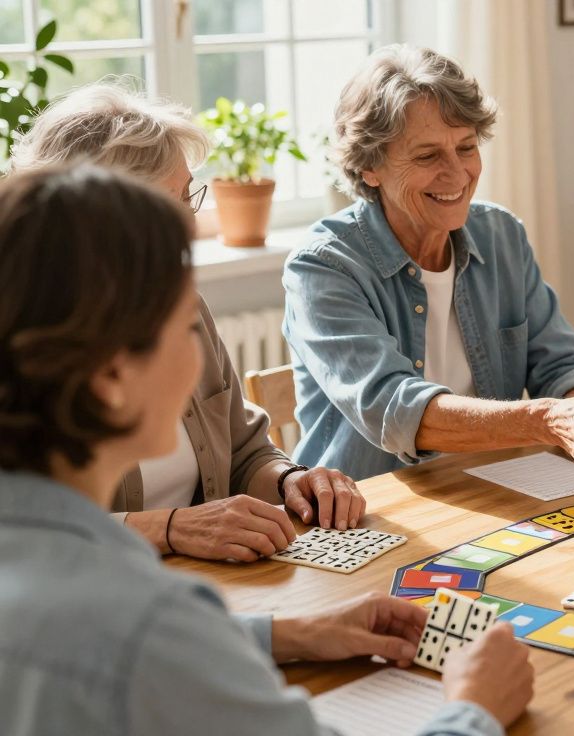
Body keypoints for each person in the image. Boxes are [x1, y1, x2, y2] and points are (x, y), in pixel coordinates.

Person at [0, 163, 534, 736]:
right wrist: (476, 708)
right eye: (182, 326)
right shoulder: (150, 625)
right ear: (111, 377)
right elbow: (148, 650)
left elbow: (123, 648)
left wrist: (294, 634)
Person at [10, 83, 365, 562]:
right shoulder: (24, 336)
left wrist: (290, 480)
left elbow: (244, 451)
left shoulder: (183, 308)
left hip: (204, 588)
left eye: (186, 196)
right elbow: (23, 525)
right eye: (166, 204)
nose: (187, 225)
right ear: (91, 216)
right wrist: (171, 528)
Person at [283, 45, 574, 480]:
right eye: (427, 156)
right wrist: (550, 421)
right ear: (369, 168)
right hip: (363, 514)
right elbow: (395, 409)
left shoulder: (501, 235)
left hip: (491, 493)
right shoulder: (323, 267)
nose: (458, 173)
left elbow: (561, 364)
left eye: (466, 147)